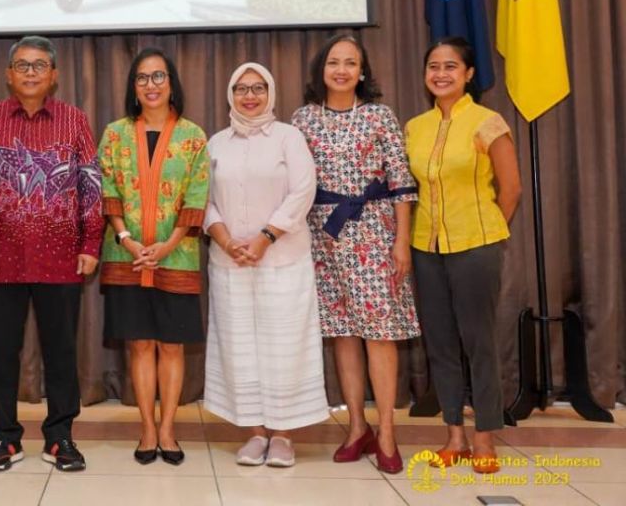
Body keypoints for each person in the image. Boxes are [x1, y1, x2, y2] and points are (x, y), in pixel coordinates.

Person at [0, 36, 102, 473]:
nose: (30, 72)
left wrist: (91, 243)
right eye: (22, 65)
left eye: (39, 65)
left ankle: (60, 437)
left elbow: (91, 185)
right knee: (2, 352)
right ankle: (5, 438)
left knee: (61, 352)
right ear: (8, 75)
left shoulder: (75, 121)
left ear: (53, 75)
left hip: (62, 259)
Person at [291, 33, 418, 475]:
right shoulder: (303, 119)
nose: (341, 70)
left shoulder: (380, 116)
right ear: (320, 71)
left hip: (374, 234)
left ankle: (386, 430)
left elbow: (402, 183)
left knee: (379, 334)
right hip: (323, 237)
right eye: (333, 63)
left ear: (362, 71)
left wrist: (401, 241)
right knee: (343, 334)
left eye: (350, 63)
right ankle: (356, 427)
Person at [202, 62, 328, 468]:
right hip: (229, 262)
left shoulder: (289, 138)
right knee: (240, 347)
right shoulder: (215, 143)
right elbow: (202, 198)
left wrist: (263, 239)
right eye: (241, 88)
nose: (250, 96)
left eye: (258, 88)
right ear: (230, 94)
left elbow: (302, 191)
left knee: (284, 346)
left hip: (283, 261)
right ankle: (254, 432)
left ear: (270, 93)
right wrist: (225, 239)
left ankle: (284, 435)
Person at [406, 37, 521, 475]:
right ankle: (453, 436)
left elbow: (510, 189)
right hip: (425, 247)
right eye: (433, 66)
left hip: (477, 246)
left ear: (469, 74)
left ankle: (485, 438)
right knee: (440, 344)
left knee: (480, 343)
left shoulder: (488, 122)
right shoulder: (415, 127)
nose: (440, 73)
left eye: (451, 66)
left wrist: (489, 233)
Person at [98, 47, 209, 466]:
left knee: (173, 347)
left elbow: (197, 196)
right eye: (142, 78)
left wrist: (166, 245)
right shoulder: (114, 134)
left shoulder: (193, 136)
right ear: (133, 86)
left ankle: (168, 429)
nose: (151, 85)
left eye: (158, 76)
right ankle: (147, 428)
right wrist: (127, 240)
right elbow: (107, 191)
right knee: (140, 345)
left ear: (172, 82)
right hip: (125, 255)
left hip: (175, 257)